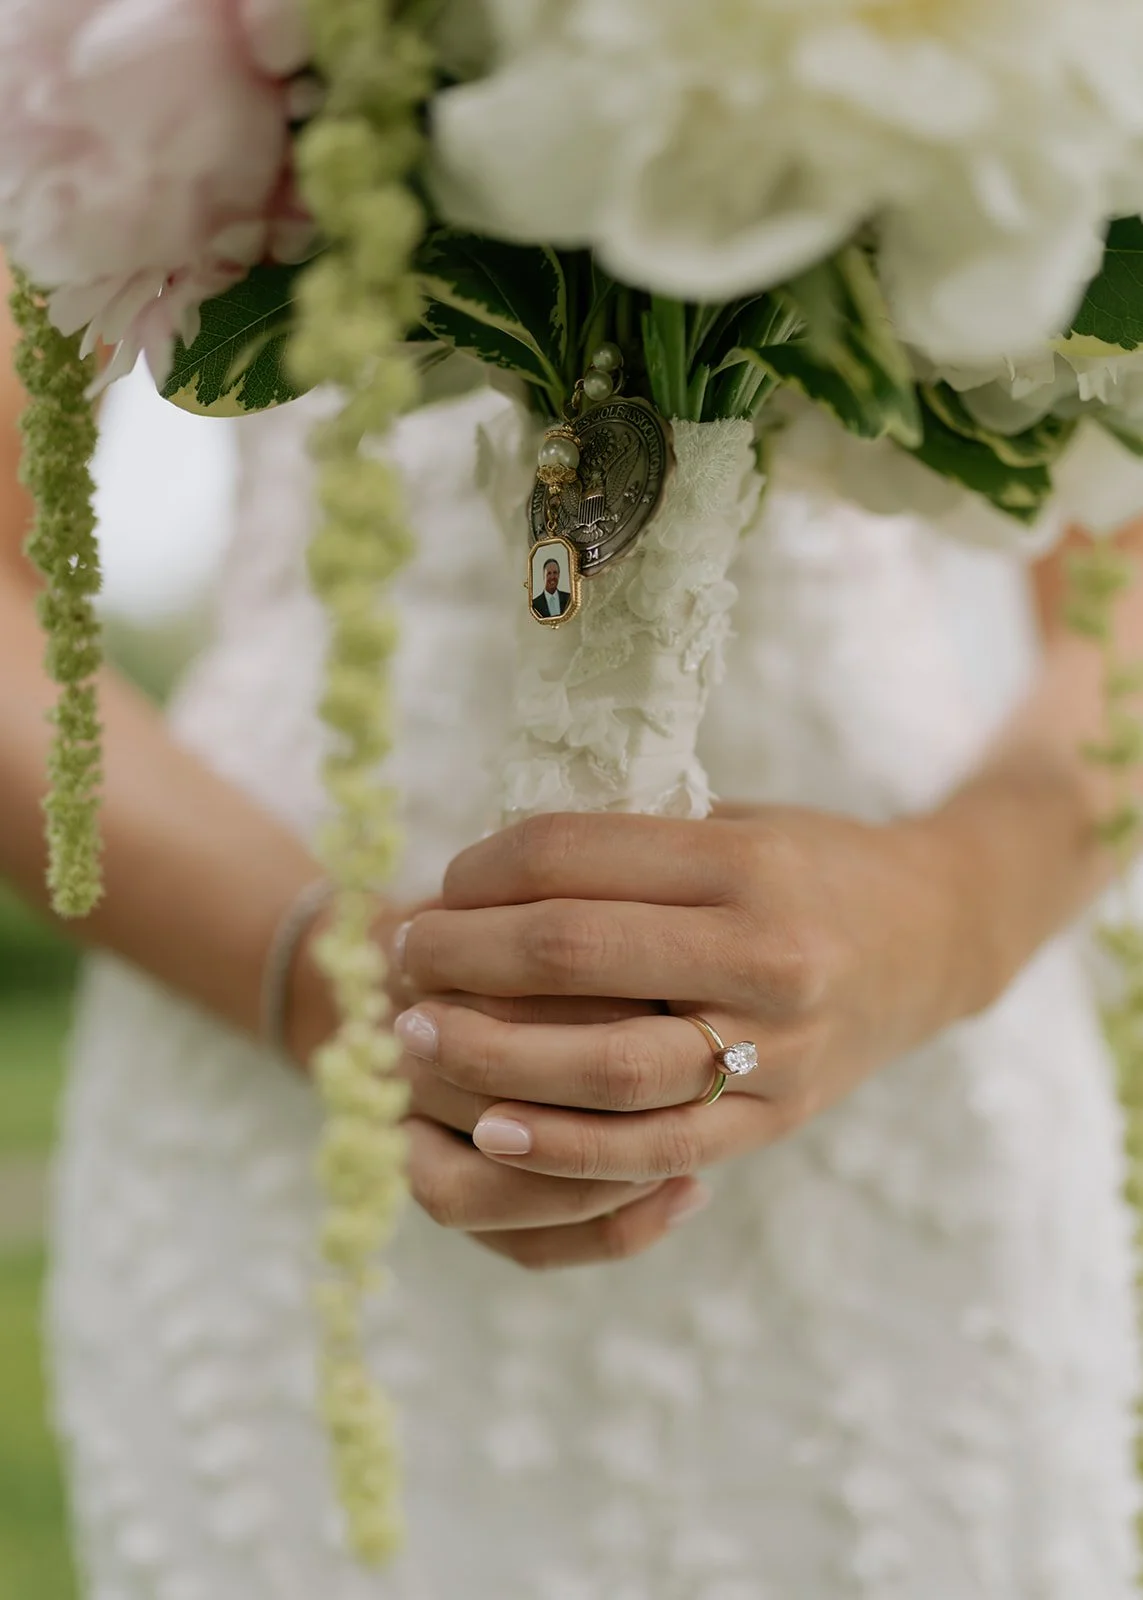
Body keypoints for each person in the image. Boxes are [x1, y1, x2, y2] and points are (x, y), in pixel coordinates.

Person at [1, 253, 1141, 1598]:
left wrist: (942, 915)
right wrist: (325, 980)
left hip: (889, 1046)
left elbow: (1113, 594)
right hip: (271, 1017)